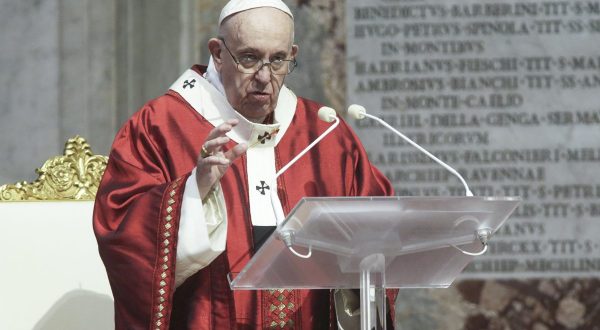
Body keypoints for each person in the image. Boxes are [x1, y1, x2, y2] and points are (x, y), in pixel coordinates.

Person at [93, 0, 394, 328]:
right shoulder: (160, 126)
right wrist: (195, 191)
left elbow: (380, 230)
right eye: (249, 57)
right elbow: (121, 232)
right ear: (218, 53)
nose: (265, 77)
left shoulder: (323, 131)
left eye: (278, 59)